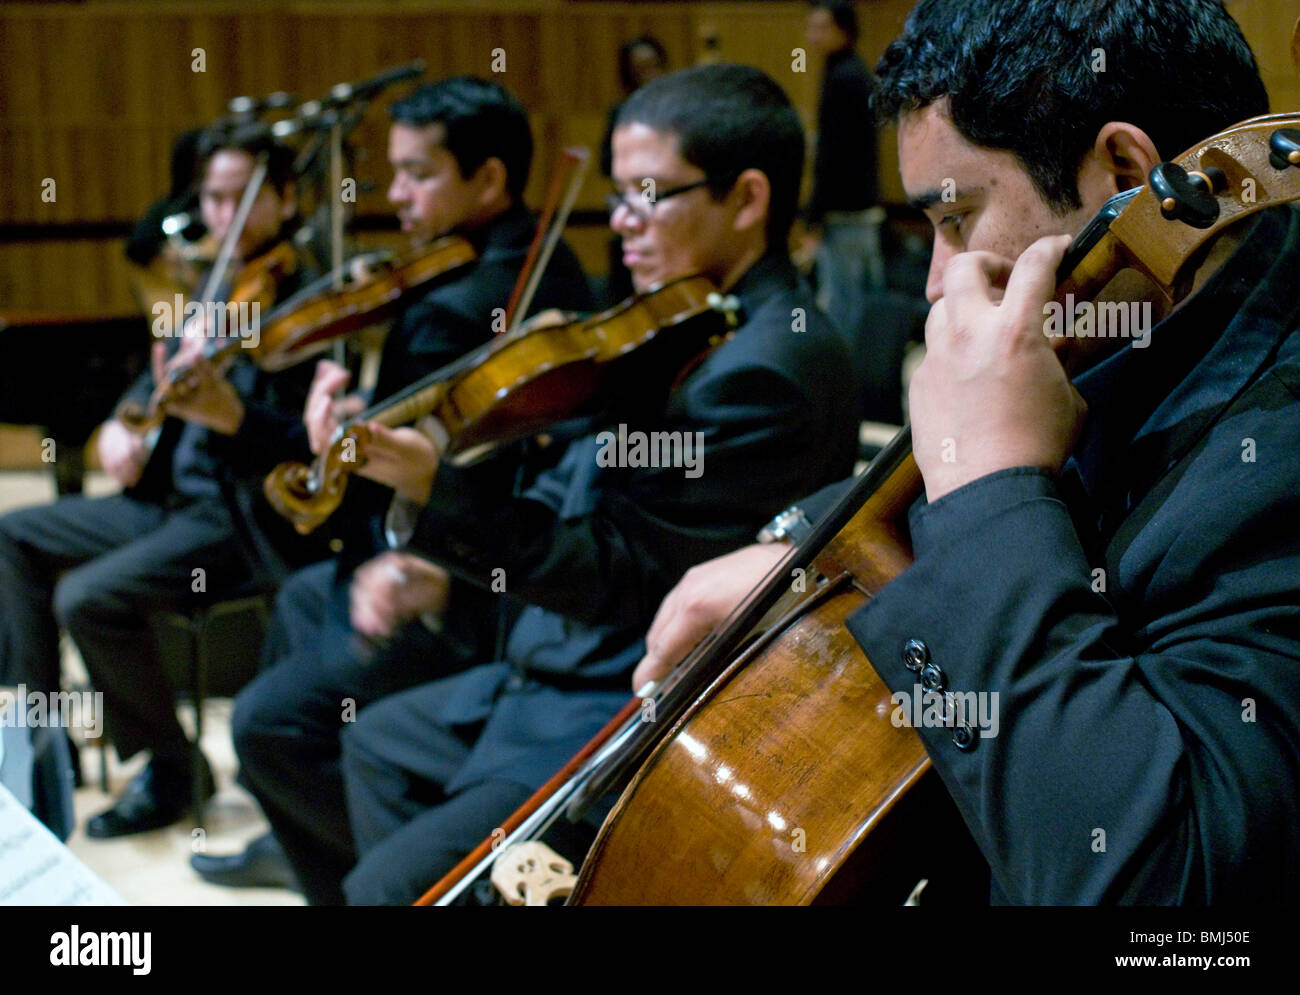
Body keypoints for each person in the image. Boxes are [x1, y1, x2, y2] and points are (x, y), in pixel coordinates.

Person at [633, 0, 1300, 904]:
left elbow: (1158, 907)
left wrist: (990, 484)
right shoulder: (1120, 340)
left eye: (956, 219)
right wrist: (807, 549)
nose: (938, 280)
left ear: (1126, 173)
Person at [335, 62, 862, 905]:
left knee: (378, 888)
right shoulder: (680, 326)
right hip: (543, 666)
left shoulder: (764, 368)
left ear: (747, 200)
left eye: (648, 193)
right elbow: (579, 480)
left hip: (620, 700)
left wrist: (442, 492)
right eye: (616, 194)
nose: (619, 222)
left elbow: (619, 572)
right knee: (369, 743)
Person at [194, 77, 595, 903]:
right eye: (394, 176)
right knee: (303, 600)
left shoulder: (454, 308)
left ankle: (362, 872)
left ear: (488, 181)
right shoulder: (544, 266)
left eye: (419, 175)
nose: (399, 198)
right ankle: (304, 831)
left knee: (264, 723)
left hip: (468, 588)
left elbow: (388, 490)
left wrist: (287, 434)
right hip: (473, 558)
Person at [0, 123, 325, 838]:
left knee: (87, 597)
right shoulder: (212, 281)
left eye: (240, 198)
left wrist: (234, 413)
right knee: (14, 536)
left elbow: (303, 442)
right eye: (211, 197)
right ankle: (36, 753)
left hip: (236, 517)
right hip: (167, 502)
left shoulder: (307, 295)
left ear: (284, 198)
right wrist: (124, 421)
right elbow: (151, 386)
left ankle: (172, 766)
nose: (220, 214)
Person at [803, 0, 884, 409]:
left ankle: (843, 392)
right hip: (857, 206)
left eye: (820, 27)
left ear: (843, 30)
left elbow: (834, 155)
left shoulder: (845, 77)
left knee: (844, 303)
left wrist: (814, 212)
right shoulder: (848, 72)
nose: (811, 36)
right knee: (853, 298)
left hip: (847, 209)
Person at [600, 35, 671, 305]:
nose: (648, 74)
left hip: (663, 195)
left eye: (653, 65)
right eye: (639, 69)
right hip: (637, 196)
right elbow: (606, 162)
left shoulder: (675, 112)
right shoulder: (622, 111)